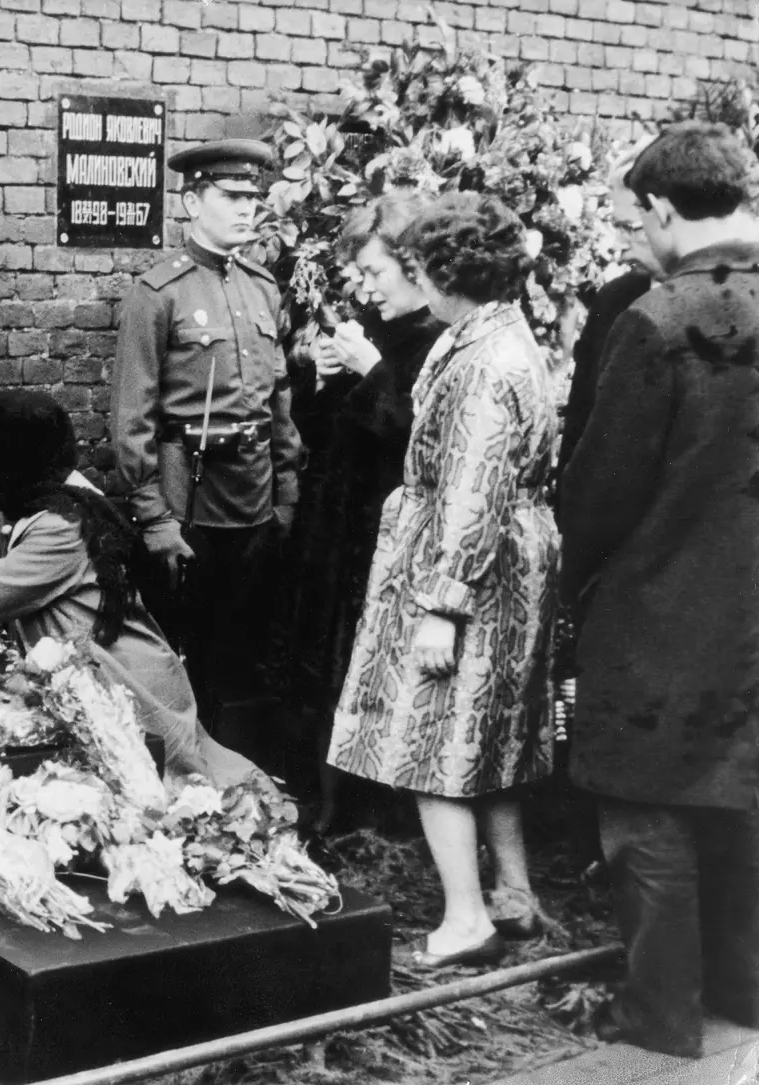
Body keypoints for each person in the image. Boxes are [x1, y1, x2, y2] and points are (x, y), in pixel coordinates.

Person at [560, 121, 759, 1058]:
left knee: (650, 810)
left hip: (662, 611)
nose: (639, 239)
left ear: (668, 210)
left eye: (641, 220)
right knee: (747, 794)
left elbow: (598, 495)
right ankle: (747, 990)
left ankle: (659, 1011)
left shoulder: (657, 320)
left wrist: (571, 575)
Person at [328, 192, 559, 969]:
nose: (413, 280)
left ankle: (467, 917)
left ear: (445, 271)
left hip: (471, 572)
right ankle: (515, 894)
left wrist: (441, 606)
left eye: (421, 267)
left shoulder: (484, 360)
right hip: (505, 563)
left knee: (434, 739)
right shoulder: (497, 336)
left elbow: (473, 485)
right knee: (489, 740)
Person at [0, 388, 275, 793]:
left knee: (180, 797)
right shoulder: (65, 499)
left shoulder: (60, 527)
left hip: (134, 693)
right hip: (127, 680)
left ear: (18, 461)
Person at [110, 139, 304, 768]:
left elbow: (278, 400)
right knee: (182, 649)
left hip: (252, 497)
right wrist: (155, 518)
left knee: (240, 652)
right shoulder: (157, 293)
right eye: (233, 197)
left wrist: (286, 492)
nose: (249, 210)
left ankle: (240, 783)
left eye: (255, 197)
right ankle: (184, 780)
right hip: (187, 499)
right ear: (193, 201)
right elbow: (132, 416)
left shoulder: (262, 287)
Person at [282, 191, 446, 834]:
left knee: (367, 667)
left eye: (375, 272)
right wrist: (320, 380)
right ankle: (334, 806)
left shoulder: (436, 341)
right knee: (328, 665)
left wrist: (372, 370)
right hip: (340, 529)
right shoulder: (379, 333)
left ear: (415, 265)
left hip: (389, 540)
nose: (366, 287)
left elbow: (422, 441)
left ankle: (376, 816)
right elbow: (324, 435)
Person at [555, 139, 662, 487]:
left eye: (629, 227)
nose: (617, 243)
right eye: (614, 226)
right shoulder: (614, 299)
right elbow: (580, 419)